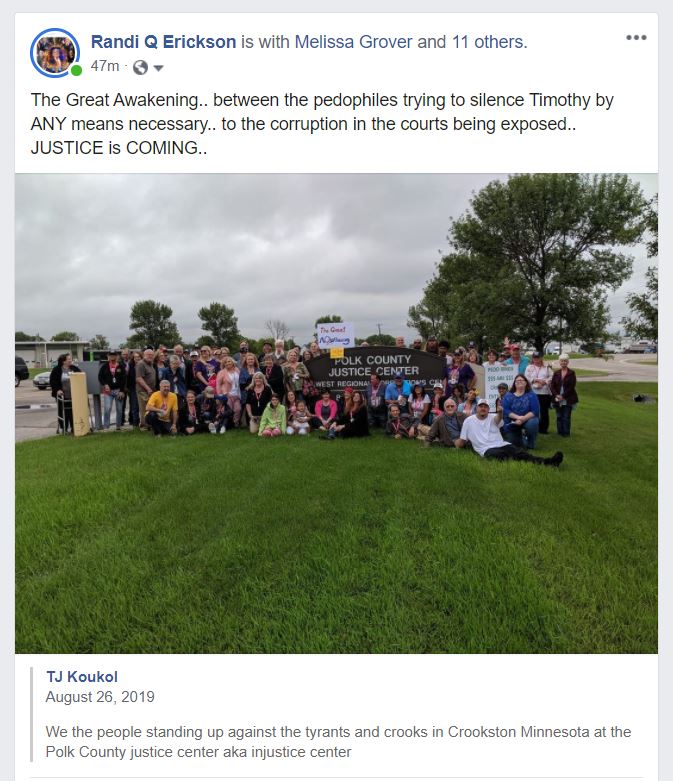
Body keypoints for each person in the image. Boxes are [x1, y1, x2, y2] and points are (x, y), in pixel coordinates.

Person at [455, 398, 563, 467]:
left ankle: (548, 462)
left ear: (488, 409)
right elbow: (462, 440)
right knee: (497, 455)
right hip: (486, 449)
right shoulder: (469, 421)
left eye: (485, 407)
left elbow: (498, 419)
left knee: (521, 453)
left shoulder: (493, 417)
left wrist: (500, 412)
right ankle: (515, 458)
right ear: (476, 408)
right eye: (481, 406)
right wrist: (455, 444)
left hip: (501, 444)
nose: (483, 408)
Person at [502, 374, 540, 449]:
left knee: (532, 424)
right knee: (514, 444)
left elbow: (535, 410)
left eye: (521, 380)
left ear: (526, 383)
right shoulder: (508, 395)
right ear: (514, 383)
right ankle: (522, 437)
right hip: (512, 421)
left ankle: (531, 442)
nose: (519, 381)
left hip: (528, 419)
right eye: (517, 380)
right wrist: (518, 417)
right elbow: (506, 410)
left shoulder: (531, 395)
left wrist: (522, 419)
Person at [49, 353, 82, 433]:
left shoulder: (74, 368)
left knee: (72, 411)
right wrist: (58, 390)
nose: (71, 360)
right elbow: (53, 381)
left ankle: (74, 427)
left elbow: (80, 377)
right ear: (64, 361)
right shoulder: (57, 370)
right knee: (63, 411)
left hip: (73, 394)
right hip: (62, 394)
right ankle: (64, 427)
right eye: (69, 359)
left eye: (70, 359)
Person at [550, 354, 579, 437]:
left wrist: (563, 396)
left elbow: (572, 386)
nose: (563, 362)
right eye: (562, 361)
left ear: (568, 362)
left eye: (565, 361)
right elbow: (552, 386)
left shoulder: (571, 373)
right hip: (557, 398)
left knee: (566, 417)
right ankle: (559, 432)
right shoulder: (556, 373)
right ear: (559, 362)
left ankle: (566, 433)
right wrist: (556, 395)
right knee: (559, 416)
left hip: (567, 398)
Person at [97, 349, 127, 430]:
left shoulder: (121, 366)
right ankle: (106, 427)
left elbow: (124, 380)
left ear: (117, 356)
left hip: (118, 391)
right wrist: (105, 384)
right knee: (107, 408)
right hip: (108, 392)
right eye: (110, 355)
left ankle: (118, 426)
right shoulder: (104, 366)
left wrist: (122, 391)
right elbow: (100, 377)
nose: (112, 357)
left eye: (114, 355)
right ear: (108, 356)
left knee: (119, 409)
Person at [525, 351, 553, 434]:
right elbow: (526, 378)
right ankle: (533, 427)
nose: (536, 360)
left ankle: (544, 429)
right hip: (533, 392)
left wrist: (545, 382)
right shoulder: (529, 367)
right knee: (533, 411)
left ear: (541, 358)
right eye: (534, 358)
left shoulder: (546, 367)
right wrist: (534, 380)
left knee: (544, 411)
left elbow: (552, 376)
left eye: (538, 358)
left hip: (544, 392)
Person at [135, 348, 157, 431]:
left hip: (150, 391)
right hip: (143, 391)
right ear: (144, 355)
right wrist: (148, 388)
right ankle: (143, 426)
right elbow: (139, 378)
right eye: (148, 355)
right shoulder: (141, 364)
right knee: (144, 408)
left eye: (151, 355)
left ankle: (149, 424)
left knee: (149, 408)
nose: (150, 356)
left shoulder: (150, 364)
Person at [216, 356, 242, 427]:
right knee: (228, 411)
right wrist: (220, 395)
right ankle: (224, 424)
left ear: (233, 362)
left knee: (238, 409)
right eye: (225, 362)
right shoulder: (221, 372)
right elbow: (218, 385)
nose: (227, 363)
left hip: (237, 394)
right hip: (227, 395)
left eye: (229, 361)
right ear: (224, 364)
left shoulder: (237, 370)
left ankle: (235, 423)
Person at [127, 350, 142, 427]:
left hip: (143, 389)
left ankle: (144, 423)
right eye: (135, 357)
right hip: (133, 389)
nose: (137, 358)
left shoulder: (144, 365)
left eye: (138, 357)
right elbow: (128, 378)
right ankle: (135, 423)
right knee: (134, 407)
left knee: (143, 407)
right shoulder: (130, 366)